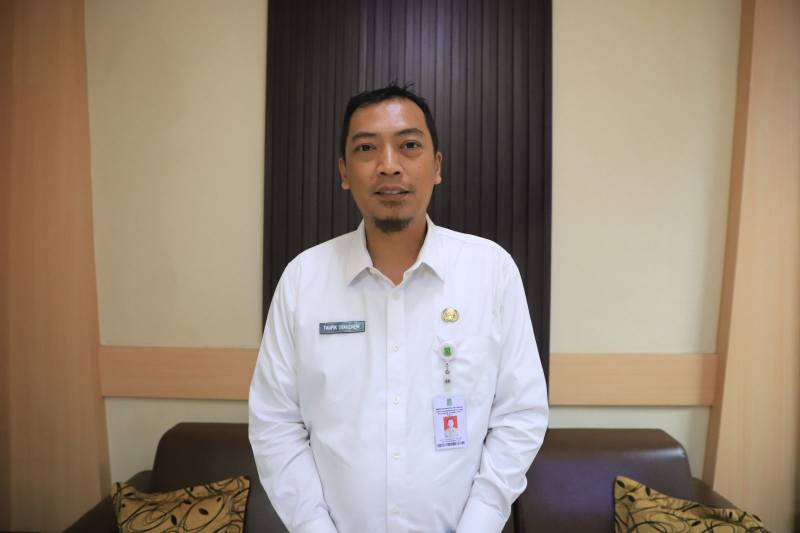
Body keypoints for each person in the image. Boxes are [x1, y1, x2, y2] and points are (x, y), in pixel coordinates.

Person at [249, 84, 548, 533]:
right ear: (344, 171)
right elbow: (275, 422)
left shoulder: (491, 271)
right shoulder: (302, 280)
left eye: (409, 145)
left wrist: (480, 522)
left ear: (437, 166)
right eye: (366, 148)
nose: (389, 165)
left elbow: (520, 414)